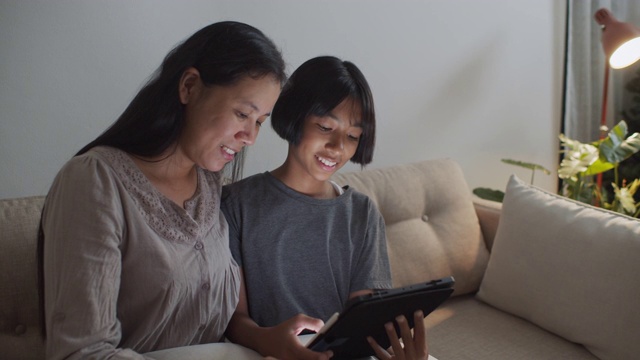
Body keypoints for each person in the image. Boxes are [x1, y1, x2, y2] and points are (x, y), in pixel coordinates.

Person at [38, 21, 288, 359]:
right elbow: (83, 353)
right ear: (189, 86)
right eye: (243, 113)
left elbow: (216, 317)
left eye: (259, 122)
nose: (251, 137)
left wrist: (267, 338)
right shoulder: (94, 182)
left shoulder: (211, 185)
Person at [221, 56, 430, 360]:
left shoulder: (362, 213)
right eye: (324, 126)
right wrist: (269, 341)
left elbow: (366, 324)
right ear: (294, 116)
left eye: (353, 136)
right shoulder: (237, 204)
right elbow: (235, 320)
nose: (338, 147)